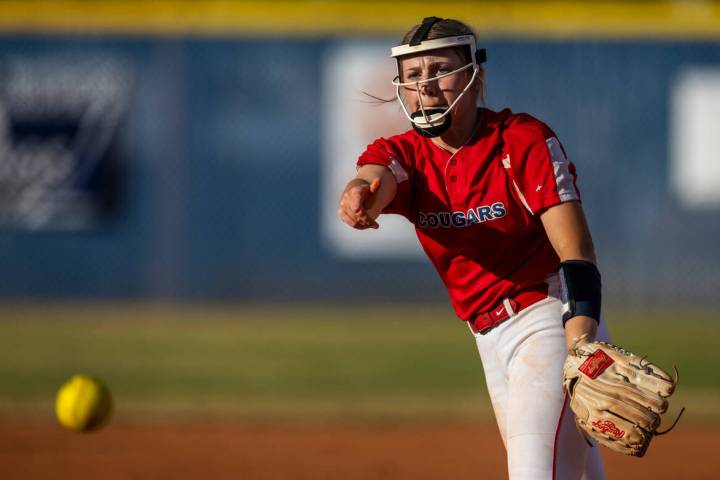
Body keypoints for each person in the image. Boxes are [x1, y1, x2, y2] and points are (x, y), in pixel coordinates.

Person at [337, 16, 611, 480]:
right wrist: (358, 193)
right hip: (489, 339)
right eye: (413, 75)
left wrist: (582, 345)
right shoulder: (406, 154)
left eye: (440, 69)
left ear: (474, 75)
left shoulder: (521, 140)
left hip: (549, 321)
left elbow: (577, 250)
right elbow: (378, 177)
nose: (426, 86)